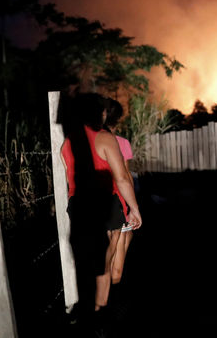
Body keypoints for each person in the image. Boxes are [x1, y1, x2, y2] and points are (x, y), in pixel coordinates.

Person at [60, 92, 142, 320]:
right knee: (103, 265)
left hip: (78, 206)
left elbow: (69, 178)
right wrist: (134, 209)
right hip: (105, 204)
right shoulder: (105, 138)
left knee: (85, 261)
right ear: (100, 113)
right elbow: (123, 178)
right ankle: (99, 316)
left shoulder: (67, 142)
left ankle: (87, 312)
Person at [103, 98, 136, 285]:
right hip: (119, 203)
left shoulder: (92, 142)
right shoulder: (122, 143)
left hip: (95, 201)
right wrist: (133, 206)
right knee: (117, 263)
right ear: (118, 119)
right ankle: (106, 299)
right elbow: (125, 176)